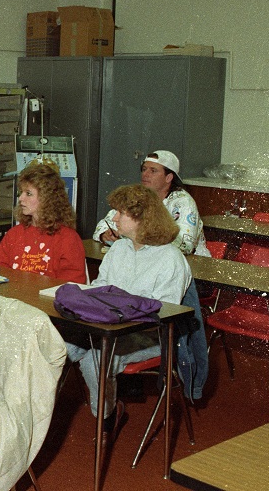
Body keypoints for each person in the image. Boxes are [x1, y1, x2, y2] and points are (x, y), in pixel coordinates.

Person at [68, 184, 191, 443]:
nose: (113, 218)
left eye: (120, 212)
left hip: (149, 336)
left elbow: (165, 314)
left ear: (142, 218)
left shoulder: (170, 259)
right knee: (58, 346)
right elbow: (100, 288)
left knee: (94, 360)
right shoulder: (119, 249)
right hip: (109, 329)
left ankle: (107, 417)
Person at [94, 150, 209, 256]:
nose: (145, 174)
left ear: (168, 177)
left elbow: (185, 245)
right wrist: (105, 234)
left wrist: (139, 240)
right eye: (144, 169)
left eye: (153, 171)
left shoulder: (183, 202)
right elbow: (106, 222)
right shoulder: (138, 196)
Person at [0, 163, 86, 283]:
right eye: (21, 193)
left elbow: (71, 286)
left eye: (28, 193)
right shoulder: (14, 234)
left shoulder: (68, 238)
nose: (20, 198)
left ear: (47, 199)